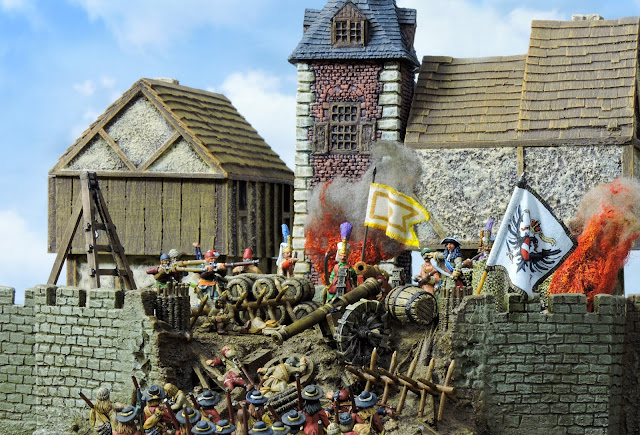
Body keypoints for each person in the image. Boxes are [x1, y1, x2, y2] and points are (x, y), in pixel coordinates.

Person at [327, 222, 357, 301]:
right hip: (335, 285)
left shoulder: (350, 268)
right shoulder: (336, 267)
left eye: (345, 255)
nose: (343, 257)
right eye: (341, 255)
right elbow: (332, 276)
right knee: (330, 296)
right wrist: (330, 282)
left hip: (347, 288)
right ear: (338, 256)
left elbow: (355, 278)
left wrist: (355, 285)